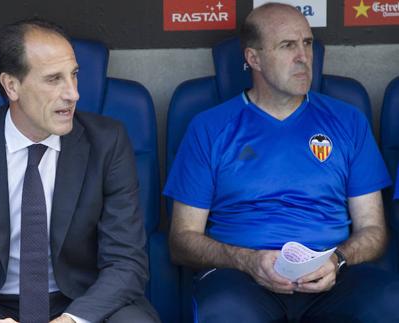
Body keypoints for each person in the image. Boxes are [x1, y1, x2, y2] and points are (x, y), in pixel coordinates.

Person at [164, 3, 399, 322]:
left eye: (307, 43)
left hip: (332, 277)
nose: (303, 56)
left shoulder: (348, 121)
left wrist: (337, 261)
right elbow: (182, 240)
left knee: (387, 300)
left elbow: (373, 230)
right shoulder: (209, 127)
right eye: (288, 45)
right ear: (253, 58)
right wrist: (248, 261)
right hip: (240, 278)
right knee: (224, 310)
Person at [0, 19, 158, 323]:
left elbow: (127, 262)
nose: (73, 94)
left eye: (74, 75)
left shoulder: (108, 142)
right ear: (12, 86)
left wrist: (73, 319)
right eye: (54, 79)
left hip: (82, 301)